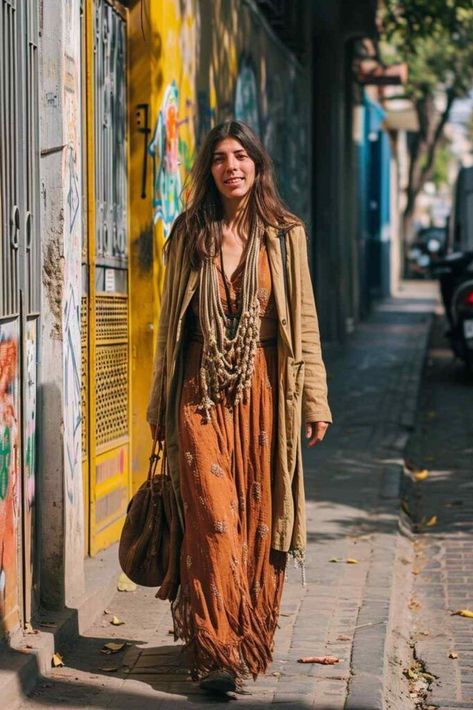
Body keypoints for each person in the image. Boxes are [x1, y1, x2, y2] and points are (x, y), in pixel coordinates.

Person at [146, 120, 332, 694]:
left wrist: (315, 402)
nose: (232, 166)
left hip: (265, 395)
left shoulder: (285, 234)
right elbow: (169, 326)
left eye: (242, 156)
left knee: (256, 522)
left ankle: (243, 634)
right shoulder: (189, 233)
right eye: (221, 157)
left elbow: (304, 322)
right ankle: (216, 651)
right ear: (209, 170)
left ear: (257, 165)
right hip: (199, 391)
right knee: (212, 519)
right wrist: (159, 400)